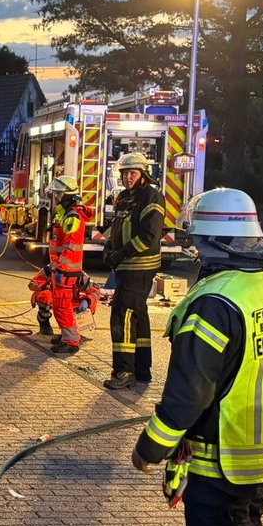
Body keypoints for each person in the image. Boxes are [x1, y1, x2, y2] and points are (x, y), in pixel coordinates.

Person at [131, 188, 263, 526]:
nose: (194, 250)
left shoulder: (213, 303)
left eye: (196, 241)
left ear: (211, 241)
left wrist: (150, 449)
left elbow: (188, 394)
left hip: (222, 463)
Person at [102, 152, 165, 389]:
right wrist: (109, 247)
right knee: (137, 315)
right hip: (126, 267)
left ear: (143, 175)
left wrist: (121, 253)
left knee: (124, 314)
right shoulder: (125, 198)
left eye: (132, 173)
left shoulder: (151, 197)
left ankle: (124, 371)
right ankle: (141, 369)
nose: (128, 177)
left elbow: (149, 237)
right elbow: (117, 227)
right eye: (125, 173)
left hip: (139, 267)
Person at [46, 176, 94, 354]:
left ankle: (71, 341)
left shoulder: (72, 217)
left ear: (68, 196)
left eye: (59, 194)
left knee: (63, 306)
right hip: (61, 269)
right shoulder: (65, 214)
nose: (56, 197)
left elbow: (70, 246)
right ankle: (66, 336)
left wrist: (62, 268)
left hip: (66, 271)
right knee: (60, 306)